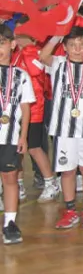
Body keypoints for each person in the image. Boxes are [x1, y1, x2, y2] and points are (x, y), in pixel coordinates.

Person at [42, 28, 83, 230]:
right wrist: (58, 34)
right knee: (67, 171)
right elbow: (43, 55)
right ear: (65, 47)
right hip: (64, 128)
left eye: (81, 45)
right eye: (72, 45)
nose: (77, 49)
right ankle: (69, 210)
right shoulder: (58, 64)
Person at [11, 22, 56, 205]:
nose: (17, 34)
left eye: (22, 32)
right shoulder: (15, 54)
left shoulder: (33, 53)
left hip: (33, 109)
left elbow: (38, 72)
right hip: (15, 111)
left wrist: (28, 52)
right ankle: (19, 183)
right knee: (16, 149)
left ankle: (50, 182)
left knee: (34, 148)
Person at [0, 25, 35, 245]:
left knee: (10, 179)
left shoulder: (21, 75)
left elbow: (25, 108)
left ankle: (10, 223)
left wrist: (23, 137)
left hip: (10, 137)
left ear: (12, 44)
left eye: (2, 43)